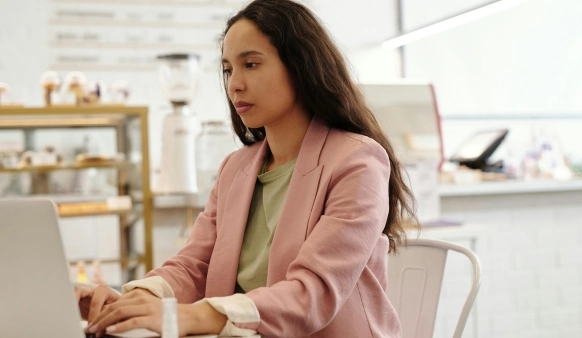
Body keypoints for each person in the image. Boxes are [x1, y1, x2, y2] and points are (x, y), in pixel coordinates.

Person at [76, 0, 417, 336]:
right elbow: (195, 264)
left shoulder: (357, 162)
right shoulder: (235, 169)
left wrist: (192, 316)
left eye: (251, 64)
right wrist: (136, 300)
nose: (234, 84)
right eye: (228, 70)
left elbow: (311, 292)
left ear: (300, 67)